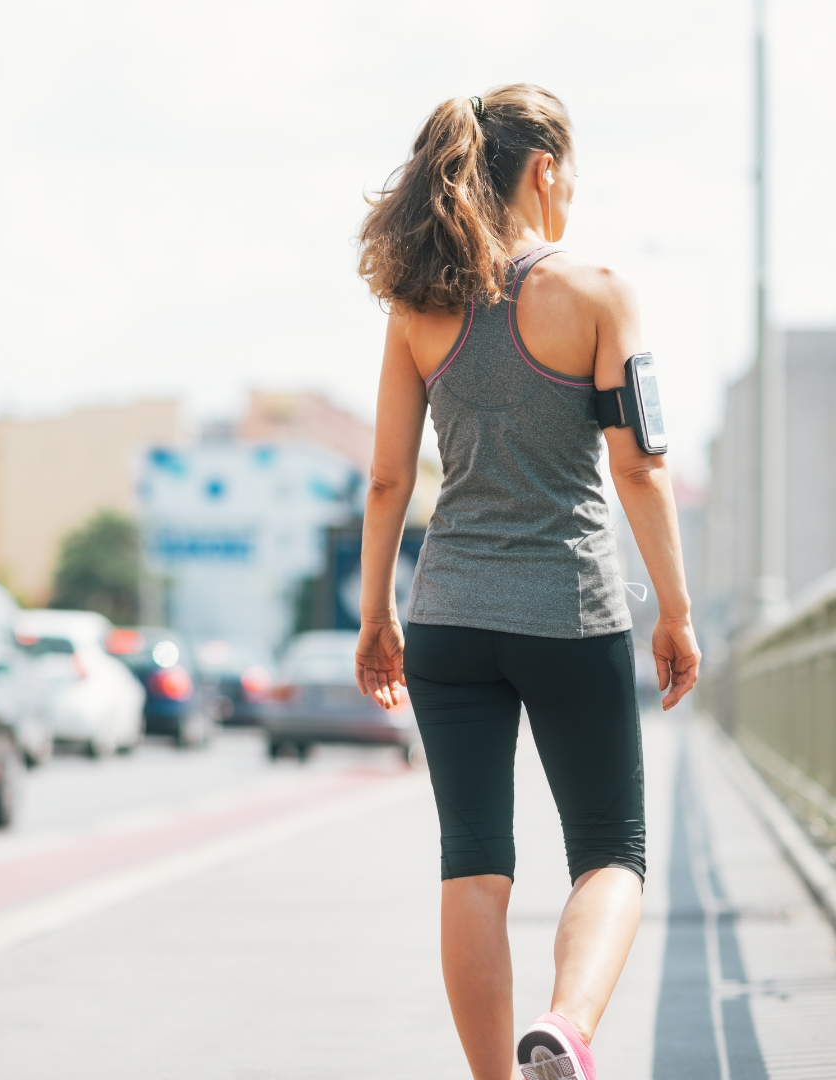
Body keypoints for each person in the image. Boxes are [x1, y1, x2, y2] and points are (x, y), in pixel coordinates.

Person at [353, 85, 700, 1080]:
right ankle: (568, 1030)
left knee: (474, 862)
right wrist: (673, 612)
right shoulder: (598, 292)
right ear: (543, 171)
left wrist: (378, 612)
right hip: (571, 612)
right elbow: (641, 466)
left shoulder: (418, 305)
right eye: (571, 175)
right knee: (609, 852)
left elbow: (386, 478)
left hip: (450, 615)